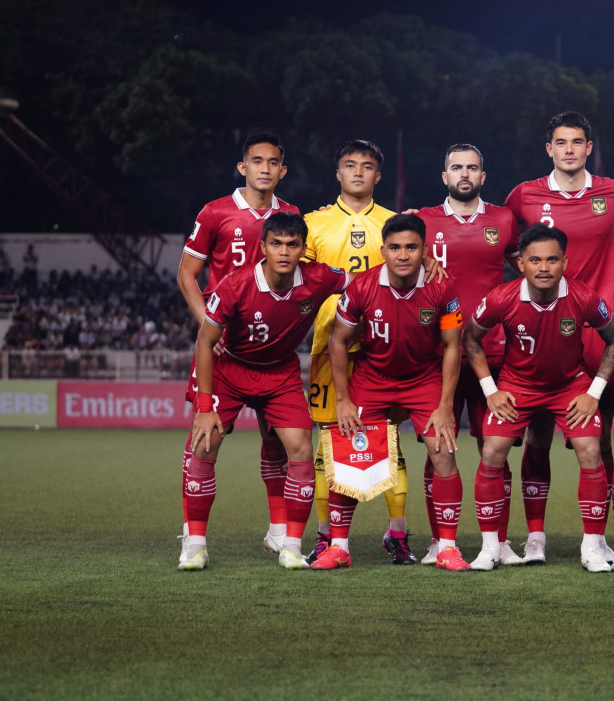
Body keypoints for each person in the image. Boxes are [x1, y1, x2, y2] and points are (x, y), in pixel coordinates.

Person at [179, 212, 350, 571]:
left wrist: (413, 268)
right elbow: (204, 343)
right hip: (230, 370)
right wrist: (206, 407)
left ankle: (290, 547)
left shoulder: (318, 278)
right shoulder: (234, 285)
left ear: (303, 249)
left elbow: (363, 281)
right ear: (263, 247)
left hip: (279, 373)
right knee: (204, 444)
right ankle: (194, 545)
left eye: (292, 245)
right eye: (276, 244)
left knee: (301, 448)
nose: (284, 252)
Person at [503, 111, 614, 563]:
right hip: (543, 325)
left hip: (598, 328)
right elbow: (503, 242)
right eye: (561, 142)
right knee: (537, 434)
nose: (570, 150)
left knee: (599, 439)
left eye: (577, 142)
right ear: (549, 149)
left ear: (588, 148)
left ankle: (600, 537)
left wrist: (607, 281)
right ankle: (535, 537)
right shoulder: (524, 195)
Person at [312, 214, 468, 571]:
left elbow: (452, 346)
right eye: (395, 247)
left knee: (443, 453)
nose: (403, 255)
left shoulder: (442, 287)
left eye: (411, 247)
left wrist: (445, 405)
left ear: (424, 251)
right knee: (348, 454)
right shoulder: (363, 287)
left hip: (423, 379)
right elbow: (338, 342)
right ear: (383, 250)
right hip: (373, 378)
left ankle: (447, 548)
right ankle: (339, 547)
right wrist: (343, 400)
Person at [464, 224, 614, 572]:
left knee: (591, 450)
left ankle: (593, 547)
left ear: (565, 262)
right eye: (535, 260)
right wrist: (491, 390)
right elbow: (471, 338)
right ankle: (491, 547)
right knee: (491, 452)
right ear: (521, 264)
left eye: (552, 259)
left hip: (570, 386)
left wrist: (594, 393)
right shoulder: (501, 298)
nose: (544, 267)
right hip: (517, 386)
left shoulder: (583, 297)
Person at [177, 132, 299, 553]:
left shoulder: (291, 215)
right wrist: (209, 327)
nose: (265, 168)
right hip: (224, 350)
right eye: (257, 161)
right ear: (242, 167)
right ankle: (193, 536)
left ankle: (279, 531)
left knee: (277, 440)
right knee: (206, 439)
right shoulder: (215, 212)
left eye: (273, 162)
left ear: (282, 170)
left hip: (271, 350)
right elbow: (186, 275)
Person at [301, 139, 414, 566]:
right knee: (328, 443)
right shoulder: (313, 224)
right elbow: (299, 280)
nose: (358, 172)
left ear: (377, 176)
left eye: (367, 166)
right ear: (338, 173)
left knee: (389, 440)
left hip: (384, 346)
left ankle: (398, 533)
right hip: (329, 345)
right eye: (350, 165)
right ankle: (326, 537)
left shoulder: (394, 224)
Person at [413, 144, 525, 568]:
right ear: (444, 176)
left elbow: (528, 266)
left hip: (491, 351)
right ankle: (439, 542)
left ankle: (499, 542)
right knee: (438, 448)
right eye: (456, 167)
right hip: (436, 353)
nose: (464, 174)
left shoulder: (504, 220)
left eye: (472, 167)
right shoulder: (423, 221)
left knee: (495, 448)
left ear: (483, 176)